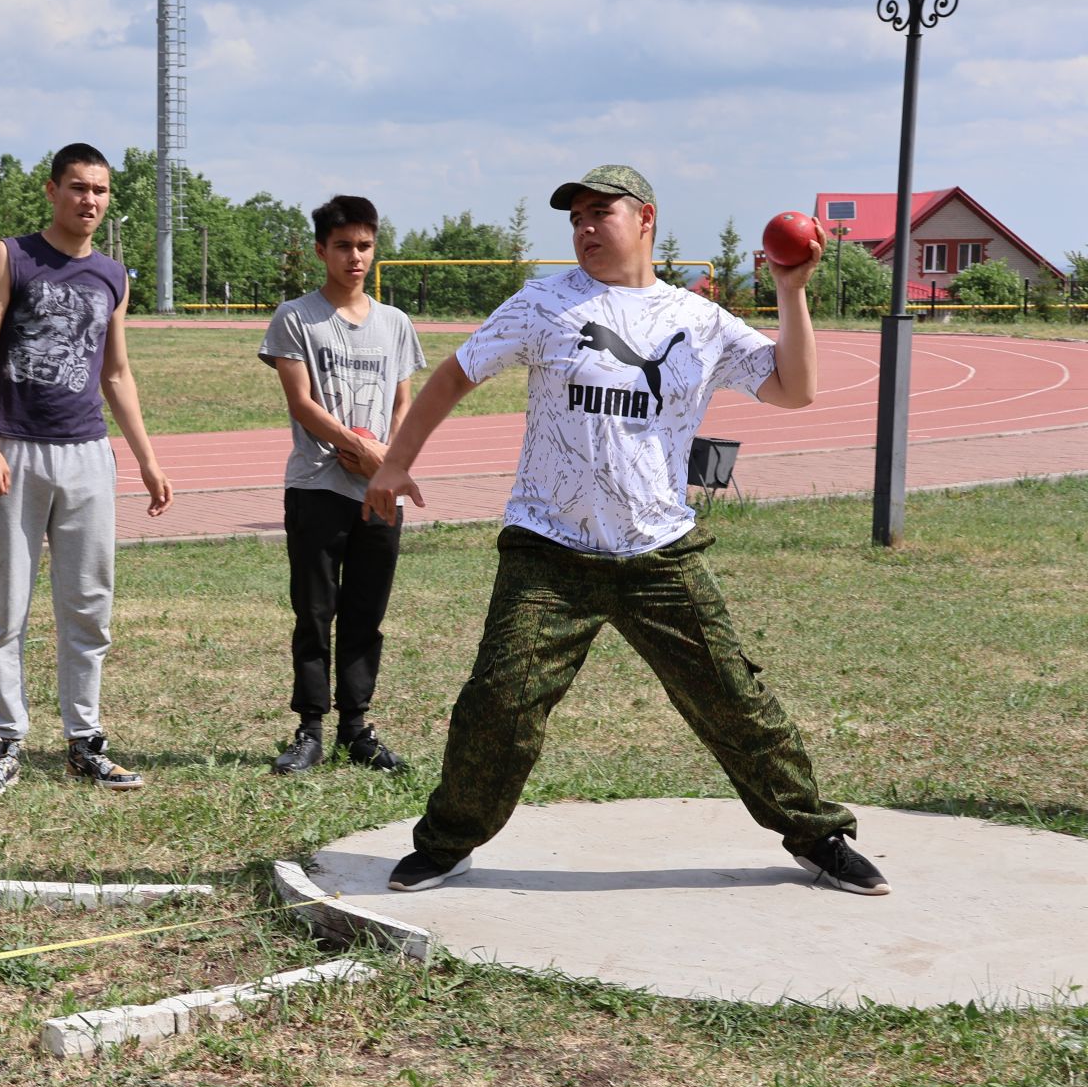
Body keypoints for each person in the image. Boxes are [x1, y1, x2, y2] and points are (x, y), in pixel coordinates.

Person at [366, 164, 890, 896]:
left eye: (598, 213)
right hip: (549, 546)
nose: (583, 227)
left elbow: (794, 389)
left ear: (645, 218)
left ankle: (817, 834)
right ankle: (449, 841)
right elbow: (455, 373)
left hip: (658, 551)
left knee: (735, 701)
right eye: (574, 217)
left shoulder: (696, 320)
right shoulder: (544, 303)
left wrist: (790, 292)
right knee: (499, 701)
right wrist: (395, 464)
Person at [0, 142, 174, 797]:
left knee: (88, 605)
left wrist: (145, 457)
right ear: (51, 190)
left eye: (101, 191)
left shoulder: (113, 275)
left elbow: (115, 371)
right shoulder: (11, 257)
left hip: (87, 454)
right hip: (17, 450)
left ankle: (85, 742)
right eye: (78, 187)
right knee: (9, 607)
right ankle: (5, 742)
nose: (89, 201)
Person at [258, 195, 423, 775]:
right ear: (321, 250)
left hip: (379, 492)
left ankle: (357, 728)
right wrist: (360, 449)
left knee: (365, 612)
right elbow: (301, 403)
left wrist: (388, 463)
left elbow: (404, 404)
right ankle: (309, 728)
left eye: (365, 245)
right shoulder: (296, 318)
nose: (355, 257)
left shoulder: (395, 324)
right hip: (317, 488)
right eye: (344, 246)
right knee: (314, 610)